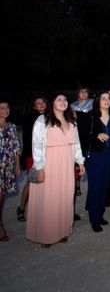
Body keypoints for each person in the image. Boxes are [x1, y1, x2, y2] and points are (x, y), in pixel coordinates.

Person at [27, 93, 85, 247]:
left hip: (66, 164)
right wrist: (39, 166)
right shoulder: (43, 120)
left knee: (64, 196)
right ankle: (46, 235)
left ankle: (62, 230)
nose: (63, 101)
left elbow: (76, 143)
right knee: (49, 199)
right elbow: (37, 143)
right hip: (49, 163)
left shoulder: (71, 121)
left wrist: (80, 161)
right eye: (59, 99)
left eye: (65, 99)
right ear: (52, 103)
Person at [86, 91, 110, 232]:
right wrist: (96, 135)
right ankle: (94, 219)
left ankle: (99, 215)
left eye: (109, 98)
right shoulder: (91, 116)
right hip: (95, 155)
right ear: (98, 101)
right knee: (95, 187)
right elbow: (83, 135)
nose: (107, 101)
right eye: (103, 98)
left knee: (105, 186)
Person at [17, 95, 47, 222]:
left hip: (49, 154)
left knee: (46, 183)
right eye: (38, 103)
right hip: (33, 155)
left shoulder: (51, 116)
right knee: (32, 181)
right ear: (34, 106)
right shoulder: (30, 119)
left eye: (43, 102)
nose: (41, 105)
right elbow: (29, 140)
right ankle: (21, 208)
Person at [0, 101, 21, 241]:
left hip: (8, 166)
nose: (6, 110)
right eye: (2, 108)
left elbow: (16, 147)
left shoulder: (12, 126)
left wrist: (17, 165)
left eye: (7, 107)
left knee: (2, 196)